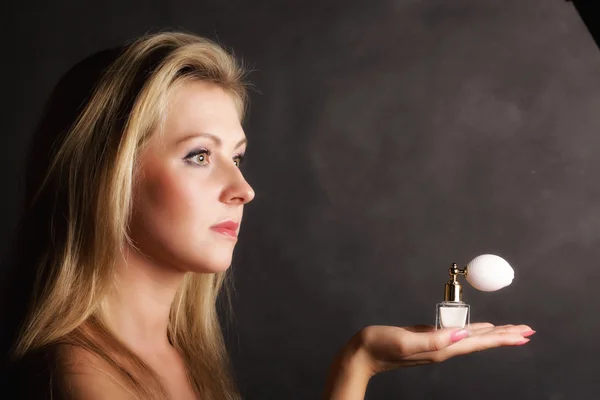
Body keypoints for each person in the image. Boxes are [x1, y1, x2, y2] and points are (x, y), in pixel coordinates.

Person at [0, 31, 535, 399]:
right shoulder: (83, 381)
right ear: (106, 176)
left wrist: (360, 361)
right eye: (199, 156)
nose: (243, 190)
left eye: (236, 157)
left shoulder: (172, 351)